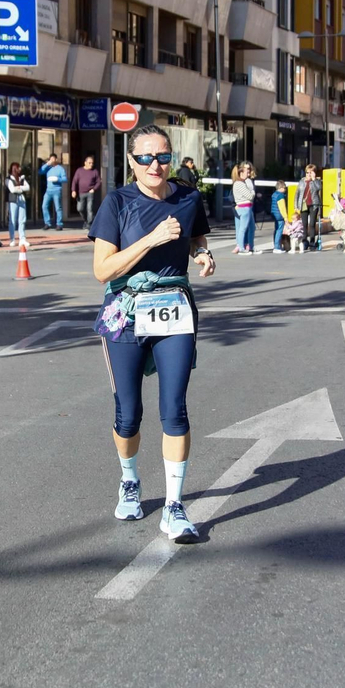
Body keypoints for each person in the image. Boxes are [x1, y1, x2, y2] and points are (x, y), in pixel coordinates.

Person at [90, 125, 215, 542]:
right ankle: (130, 481)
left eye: (162, 156)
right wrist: (151, 239)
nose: (154, 165)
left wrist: (202, 254)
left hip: (174, 309)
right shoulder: (117, 202)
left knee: (174, 408)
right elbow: (102, 270)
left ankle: (174, 507)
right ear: (131, 161)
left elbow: (194, 236)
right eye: (144, 158)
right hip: (124, 310)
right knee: (128, 415)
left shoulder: (187, 196)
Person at [231, 162, 257, 254]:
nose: (248, 173)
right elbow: (250, 196)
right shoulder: (239, 184)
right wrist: (253, 192)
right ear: (241, 173)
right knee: (243, 228)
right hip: (244, 207)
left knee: (251, 228)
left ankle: (250, 247)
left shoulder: (242, 183)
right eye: (246, 171)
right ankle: (241, 248)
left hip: (247, 207)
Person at [71, 155, 103, 228]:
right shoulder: (79, 171)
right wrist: (73, 190)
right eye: (89, 163)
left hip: (90, 192)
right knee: (80, 209)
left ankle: (89, 223)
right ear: (85, 163)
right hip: (81, 193)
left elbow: (98, 182)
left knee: (90, 208)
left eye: (92, 163)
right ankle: (85, 220)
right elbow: (74, 181)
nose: (91, 164)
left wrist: (94, 189)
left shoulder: (94, 171)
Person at [296, 163, 322, 251]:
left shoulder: (317, 181)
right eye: (307, 172)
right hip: (303, 204)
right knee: (304, 224)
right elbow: (297, 194)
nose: (309, 174)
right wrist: (296, 205)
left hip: (313, 205)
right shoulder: (301, 181)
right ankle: (304, 241)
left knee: (312, 224)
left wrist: (314, 179)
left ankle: (312, 242)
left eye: (311, 172)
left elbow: (319, 188)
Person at [4, 161, 31, 246]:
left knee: (22, 219)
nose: (20, 169)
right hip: (13, 200)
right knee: (12, 220)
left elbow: (28, 187)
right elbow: (12, 189)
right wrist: (20, 188)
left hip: (21, 200)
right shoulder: (8, 179)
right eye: (18, 167)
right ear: (15, 169)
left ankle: (22, 239)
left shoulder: (22, 178)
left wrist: (19, 187)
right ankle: (12, 239)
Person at [40, 154, 67, 229]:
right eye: (50, 159)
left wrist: (57, 179)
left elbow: (65, 179)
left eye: (53, 159)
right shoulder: (48, 168)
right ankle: (47, 223)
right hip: (48, 190)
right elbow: (40, 171)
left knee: (58, 207)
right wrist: (47, 164)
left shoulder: (60, 169)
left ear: (56, 159)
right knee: (44, 206)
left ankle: (59, 224)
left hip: (57, 190)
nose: (52, 160)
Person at [267, 173, 288, 254]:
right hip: (279, 215)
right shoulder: (280, 196)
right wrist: (285, 217)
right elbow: (282, 207)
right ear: (281, 187)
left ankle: (276, 245)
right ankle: (277, 247)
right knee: (279, 230)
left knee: (276, 230)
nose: (285, 189)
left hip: (274, 214)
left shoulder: (274, 194)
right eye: (284, 188)